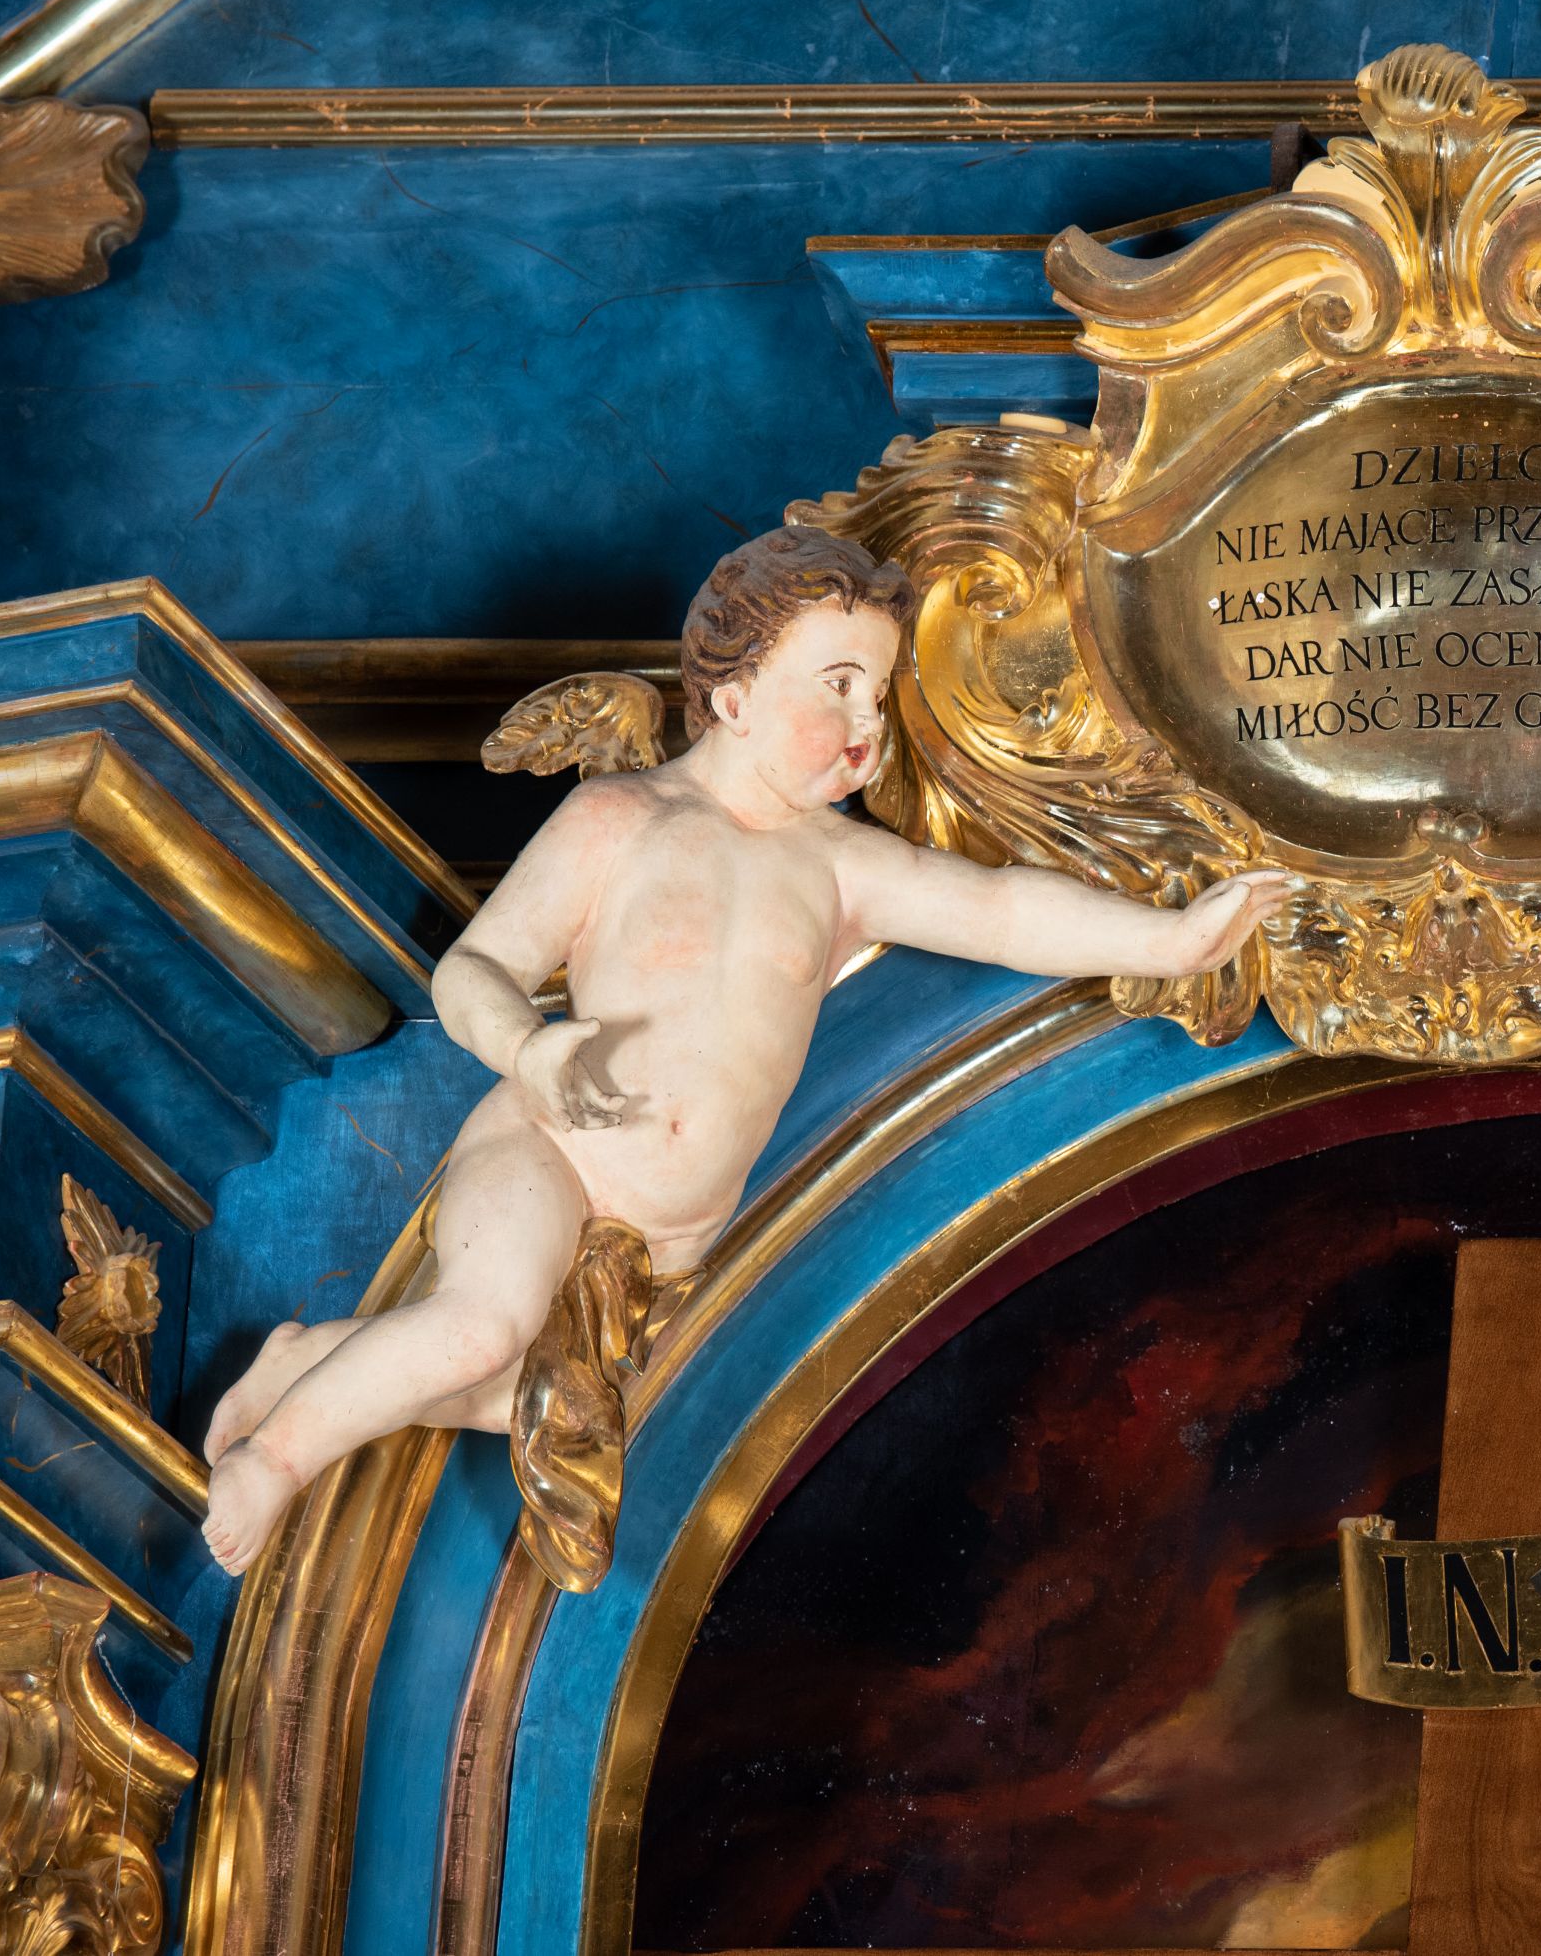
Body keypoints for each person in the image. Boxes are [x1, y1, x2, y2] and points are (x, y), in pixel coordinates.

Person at [200, 525, 1289, 1574]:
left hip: (670, 1245)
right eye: (838, 685)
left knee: (521, 1395)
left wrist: (1173, 941)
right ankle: (273, 1462)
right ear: (733, 698)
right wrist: (528, 1052)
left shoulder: (840, 868)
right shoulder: (622, 821)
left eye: (877, 694)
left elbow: (1002, 911)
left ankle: (308, 1360)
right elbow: (472, 969)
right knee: (482, 1330)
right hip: (550, 1147)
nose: (866, 721)